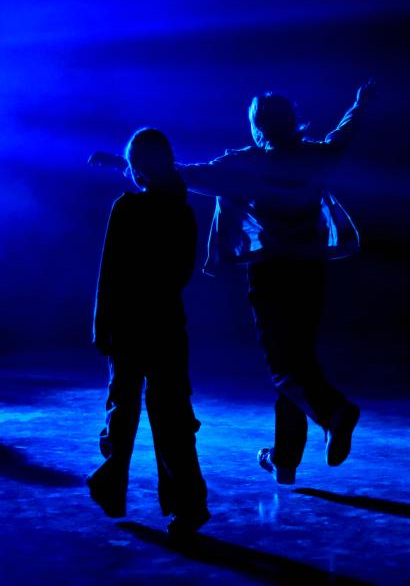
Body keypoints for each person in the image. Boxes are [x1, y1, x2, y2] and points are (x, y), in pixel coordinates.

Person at [90, 82, 375, 486]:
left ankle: (334, 412)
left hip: (272, 273)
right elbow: (341, 138)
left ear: (257, 126)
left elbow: (180, 173)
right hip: (311, 271)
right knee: (298, 360)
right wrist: (359, 105)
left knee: (285, 367)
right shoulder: (315, 157)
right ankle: (285, 460)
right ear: (292, 121)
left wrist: (123, 162)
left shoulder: (245, 165)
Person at [86, 128, 210, 536]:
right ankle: (187, 505)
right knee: (173, 412)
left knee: (123, 406)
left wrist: (102, 324)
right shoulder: (182, 211)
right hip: (166, 321)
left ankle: (111, 485)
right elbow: (182, 273)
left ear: (136, 167)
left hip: (127, 322)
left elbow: (109, 273)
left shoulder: (127, 208)